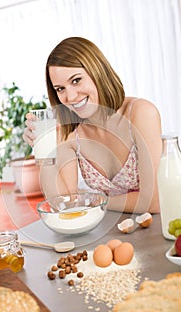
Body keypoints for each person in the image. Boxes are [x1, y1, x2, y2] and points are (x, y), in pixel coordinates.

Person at [23, 37, 162, 214]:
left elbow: (153, 203)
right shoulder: (70, 132)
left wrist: (91, 201)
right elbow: (61, 204)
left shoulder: (141, 114)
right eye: (60, 89)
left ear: (97, 71)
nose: (71, 97)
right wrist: (43, 150)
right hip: (113, 229)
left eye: (76, 80)